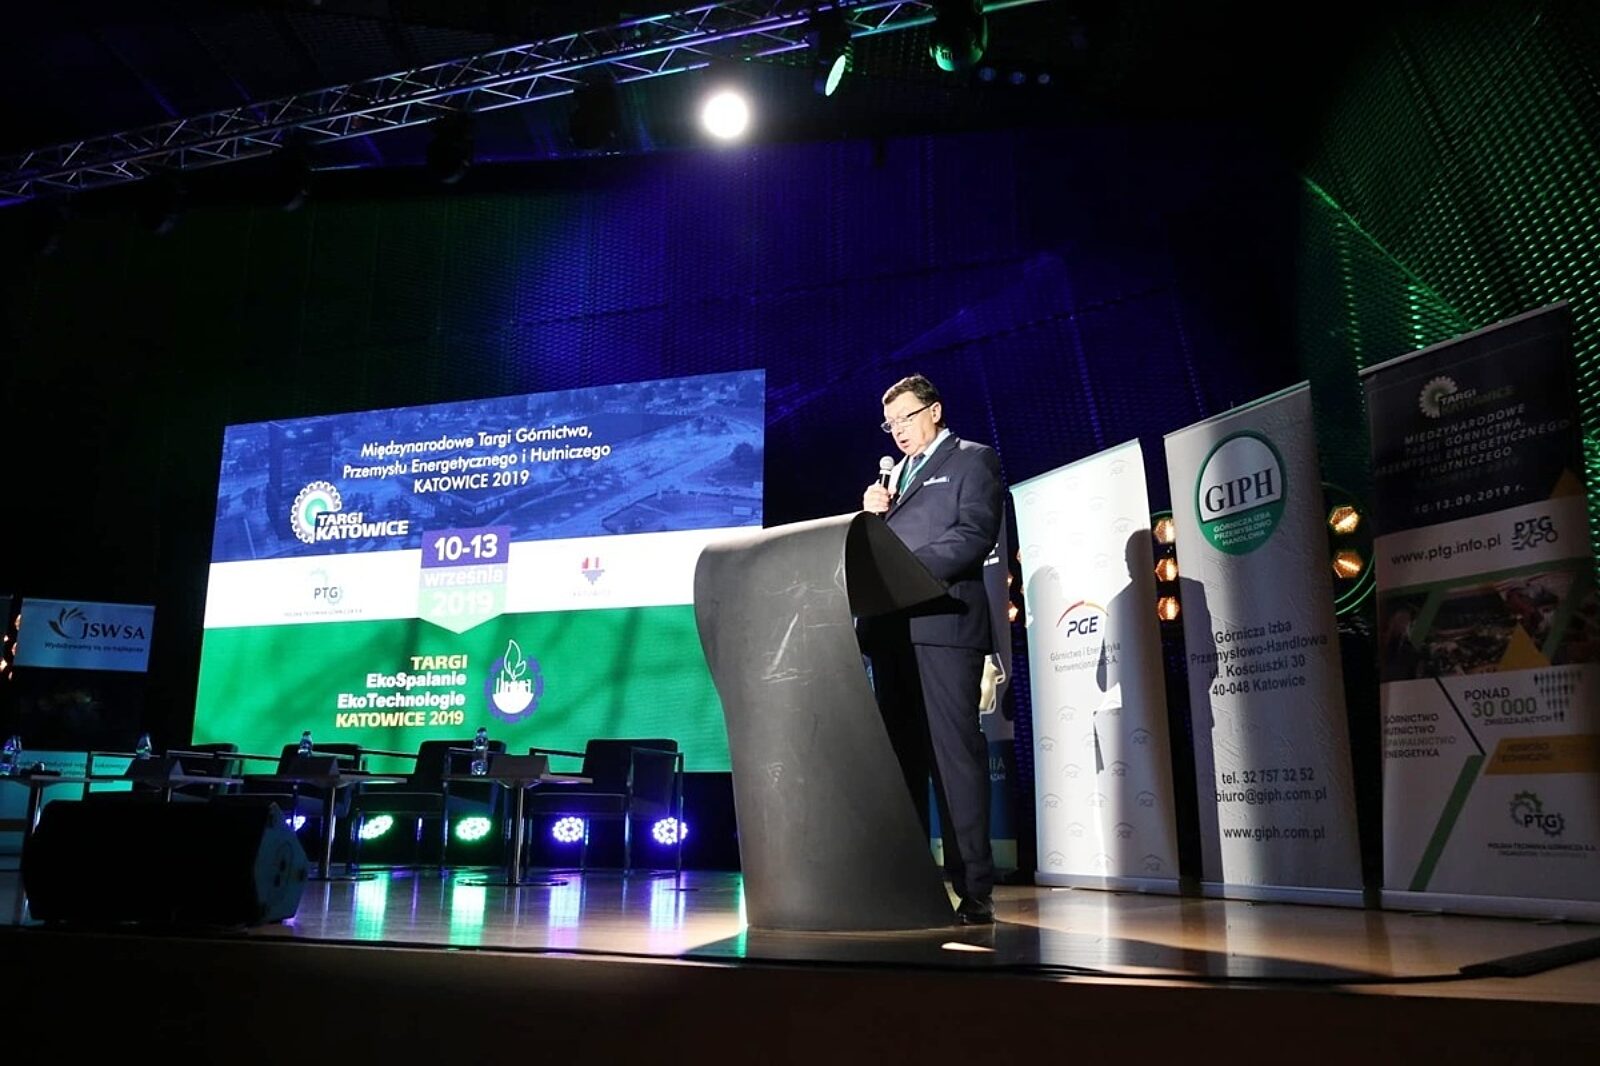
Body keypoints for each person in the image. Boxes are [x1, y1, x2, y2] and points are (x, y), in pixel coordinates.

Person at [859, 373, 1005, 925]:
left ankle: (974, 889)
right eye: (890, 423)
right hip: (891, 633)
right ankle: (910, 885)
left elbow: (974, 534)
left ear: (935, 410)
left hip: (944, 627)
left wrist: (903, 573)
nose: (898, 430)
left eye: (906, 417)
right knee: (900, 764)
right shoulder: (893, 477)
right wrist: (871, 518)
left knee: (953, 760)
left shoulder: (972, 459)